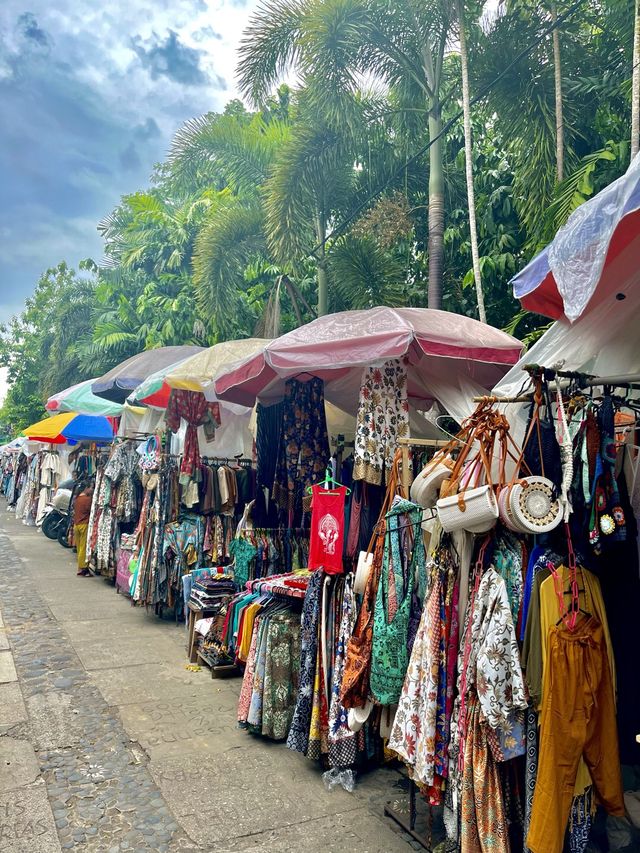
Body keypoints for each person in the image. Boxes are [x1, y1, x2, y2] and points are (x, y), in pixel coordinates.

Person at [73, 483, 94, 577]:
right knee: (83, 548)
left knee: (79, 548)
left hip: (76, 525)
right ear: (86, 488)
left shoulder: (77, 498)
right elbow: (91, 511)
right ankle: (83, 568)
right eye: (91, 487)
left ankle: (80, 568)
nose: (92, 489)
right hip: (84, 525)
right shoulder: (87, 499)